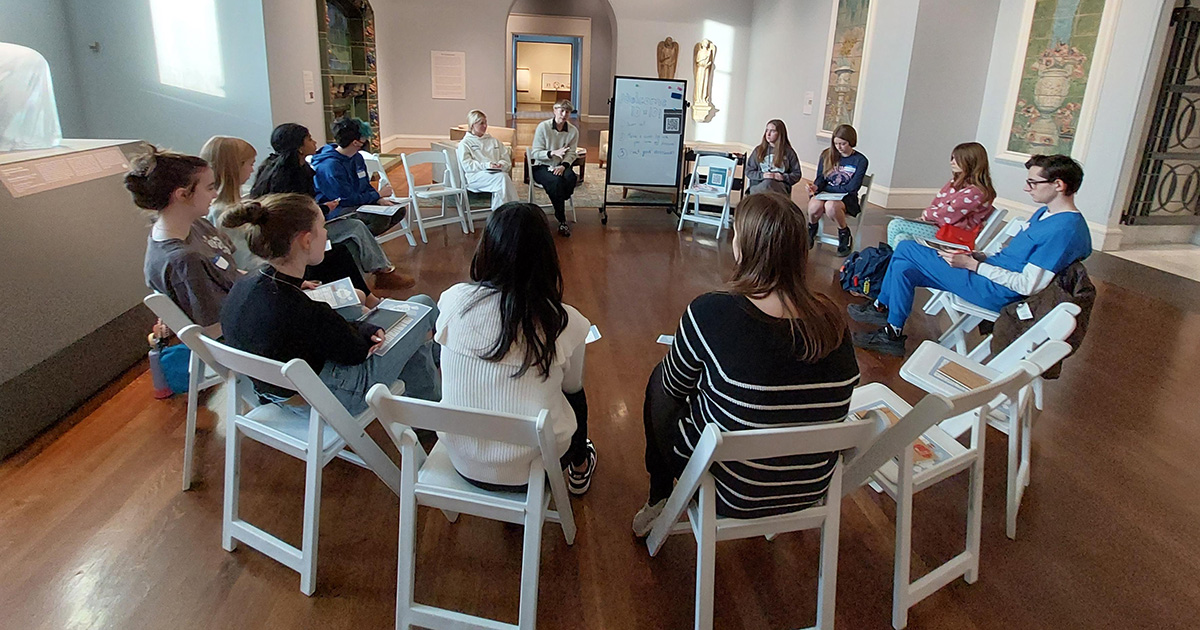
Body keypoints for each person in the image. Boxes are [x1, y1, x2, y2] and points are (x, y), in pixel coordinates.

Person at [632, 192, 860, 535]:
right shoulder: (833, 320)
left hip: (731, 491)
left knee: (661, 381)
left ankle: (660, 494)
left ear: (744, 247)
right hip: (810, 487)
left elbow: (673, 390)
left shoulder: (712, 312)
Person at [849, 154, 1093, 357]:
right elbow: (1011, 256)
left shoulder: (1064, 230)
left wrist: (973, 265)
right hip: (986, 273)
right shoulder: (1045, 214)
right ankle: (891, 329)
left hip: (998, 291)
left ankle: (884, 310)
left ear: (1058, 185)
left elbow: (1027, 285)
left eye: (1033, 183)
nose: (1025, 188)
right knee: (906, 267)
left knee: (906, 249)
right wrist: (978, 255)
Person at [219, 193, 440, 415]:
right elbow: (354, 352)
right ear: (306, 240)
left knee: (404, 334)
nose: (326, 233)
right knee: (422, 305)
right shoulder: (300, 309)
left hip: (277, 395)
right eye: (323, 227)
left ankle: (429, 404)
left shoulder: (245, 284)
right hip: (331, 400)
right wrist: (364, 329)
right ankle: (433, 403)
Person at [434, 202, 596, 494]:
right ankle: (580, 466)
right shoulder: (564, 321)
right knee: (574, 394)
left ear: (486, 249)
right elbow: (573, 388)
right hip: (534, 468)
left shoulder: (453, 299)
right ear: (547, 258)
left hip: (462, 457)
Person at [199, 135, 384, 304]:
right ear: (236, 167)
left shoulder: (235, 203)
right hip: (273, 271)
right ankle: (363, 299)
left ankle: (363, 299)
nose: (252, 169)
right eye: (249, 164)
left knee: (340, 252)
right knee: (339, 253)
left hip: (273, 265)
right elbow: (247, 260)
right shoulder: (224, 213)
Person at [251, 122, 409, 286]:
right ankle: (382, 271)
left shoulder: (295, 168)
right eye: (310, 139)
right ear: (299, 147)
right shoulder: (290, 177)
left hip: (314, 217)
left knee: (384, 217)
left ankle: (375, 267)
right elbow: (294, 214)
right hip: (298, 229)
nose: (315, 143)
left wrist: (376, 198)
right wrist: (325, 209)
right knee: (356, 227)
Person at [128, 148, 235, 337]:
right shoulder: (184, 260)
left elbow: (232, 272)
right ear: (182, 195)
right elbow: (213, 330)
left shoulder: (196, 224)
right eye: (209, 188)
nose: (215, 194)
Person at [886, 142, 996, 248]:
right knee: (901, 238)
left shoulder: (976, 192)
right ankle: (894, 264)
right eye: (952, 158)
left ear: (970, 161)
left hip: (953, 234)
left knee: (896, 224)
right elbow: (937, 204)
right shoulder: (955, 183)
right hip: (940, 227)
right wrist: (928, 216)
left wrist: (927, 215)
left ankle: (885, 262)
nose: (951, 162)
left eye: (956, 159)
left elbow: (949, 215)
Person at [311, 117, 405, 237]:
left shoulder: (357, 157)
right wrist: (378, 195)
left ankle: (362, 238)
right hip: (339, 208)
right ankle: (356, 240)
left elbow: (365, 184)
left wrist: (378, 200)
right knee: (380, 219)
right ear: (355, 142)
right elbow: (344, 199)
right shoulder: (330, 166)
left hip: (358, 201)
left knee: (398, 211)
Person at [806, 124, 868, 256]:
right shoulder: (826, 155)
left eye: (843, 143)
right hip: (826, 194)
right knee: (813, 206)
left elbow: (853, 187)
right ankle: (812, 228)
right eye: (836, 144)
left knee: (831, 207)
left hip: (846, 197)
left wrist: (830, 189)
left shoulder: (860, 160)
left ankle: (844, 232)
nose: (839, 147)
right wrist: (815, 187)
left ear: (851, 142)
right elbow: (821, 179)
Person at [529, 100, 580, 237]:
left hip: (560, 165)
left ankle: (558, 198)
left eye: (567, 112)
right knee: (556, 183)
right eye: (561, 110)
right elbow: (535, 153)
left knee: (572, 178)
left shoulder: (573, 131)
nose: (564, 114)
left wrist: (563, 166)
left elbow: (571, 153)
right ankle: (562, 220)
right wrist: (552, 153)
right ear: (554, 110)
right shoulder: (543, 127)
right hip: (542, 165)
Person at [456, 110, 517, 212]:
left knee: (502, 179)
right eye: (481, 123)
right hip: (475, 177)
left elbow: (506, 159)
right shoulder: (465, 143)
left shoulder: (494, 141)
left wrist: (500, 165)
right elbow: (467, 165)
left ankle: (504, 212)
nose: (485, 126)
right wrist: (487, 165)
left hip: (496, 173)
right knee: (502, 179)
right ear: (472, 125)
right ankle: (509, 211)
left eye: (485, 122)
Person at [744, 119, 803, 196]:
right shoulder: (758, 150)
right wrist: (763, 175)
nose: (768, 134)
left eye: (772, 131)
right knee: (767, 183)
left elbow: (797, 174)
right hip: (760, 184)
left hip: (779, 187)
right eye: (767, 130)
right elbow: (749, 171)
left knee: (770, 183)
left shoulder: (789, 152)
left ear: (780, 134)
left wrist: (783, 177)